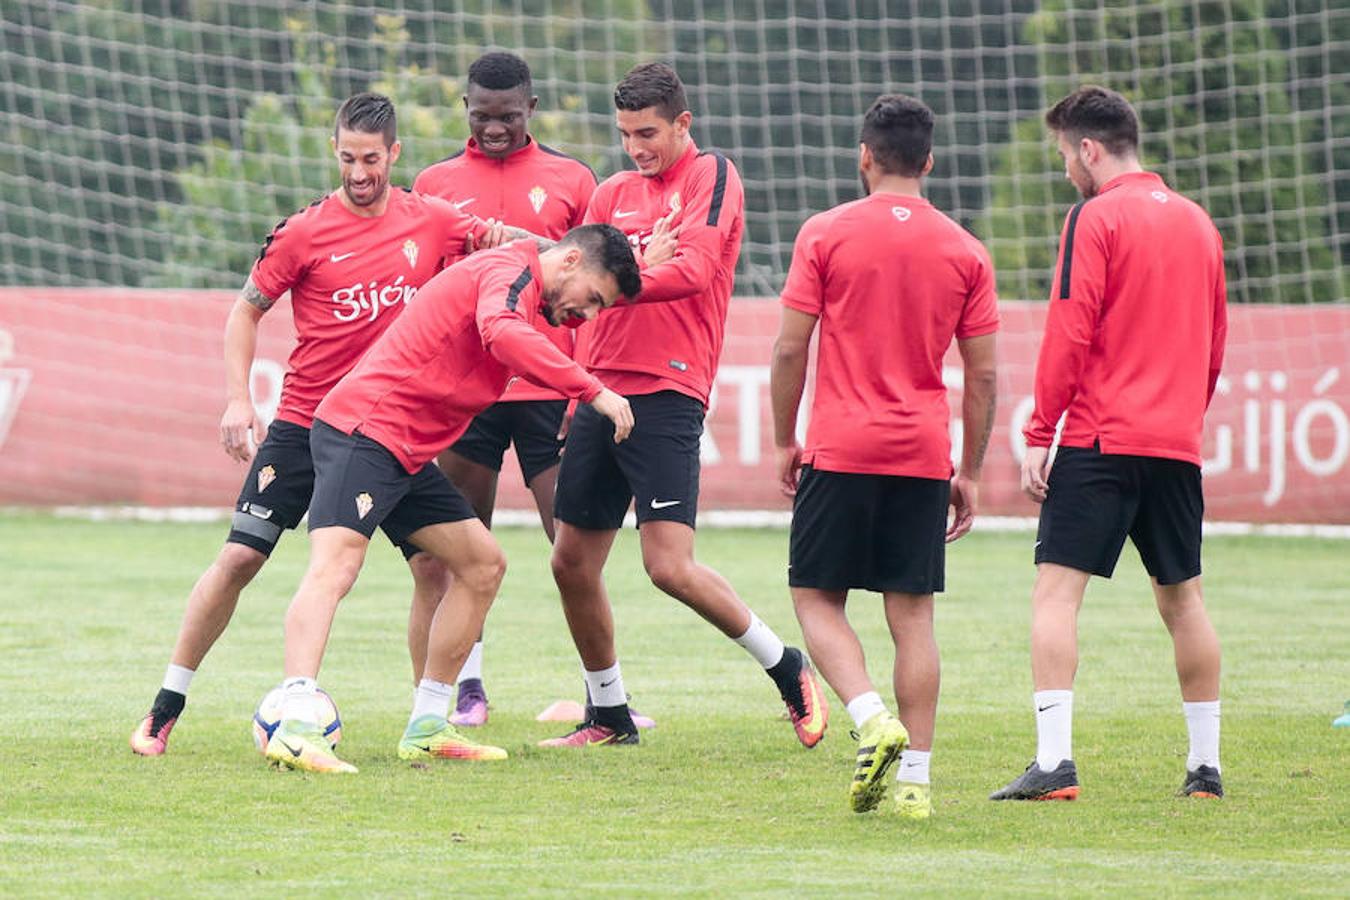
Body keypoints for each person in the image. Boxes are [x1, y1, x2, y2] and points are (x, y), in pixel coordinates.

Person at [129, 92, 503, 756]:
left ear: (394, 153)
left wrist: (606, 254)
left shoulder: (435, 220)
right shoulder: (304, 231)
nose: (359, 173)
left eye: (371, 159)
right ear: (335, 152)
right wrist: (238, 399)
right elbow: (245, 312)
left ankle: (428, 723)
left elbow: (514, 250)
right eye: (347, 159)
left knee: (442, 569)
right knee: (242, 556)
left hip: (387, 431)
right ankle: (165, 708)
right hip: (306, 427)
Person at [263, 224, 642, 774]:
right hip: (363, 432)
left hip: (405, 452)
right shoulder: (508, 272)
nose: (590, 316)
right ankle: (295, 723)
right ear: (570, 262)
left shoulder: (528, 288)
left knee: (482, 564)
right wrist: (593, 390)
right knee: (335, 567)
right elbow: (499, 331)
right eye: (595, 299)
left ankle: (427, 725)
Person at [542, 62, 827, 748]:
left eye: (648, 133)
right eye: (625, 134)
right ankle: (608, 714)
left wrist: (623, 275)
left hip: (667, 389)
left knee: (667, 565)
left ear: (682, 124)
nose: (637, 147)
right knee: (569, 562)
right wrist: (573, 385)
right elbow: (572, 293)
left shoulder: (712, 176)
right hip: (600, 389)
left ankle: (786, 666)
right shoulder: (610, 190)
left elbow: (695, 271)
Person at [989, 86, 1228, 802]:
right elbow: (1214, 345)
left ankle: (1055, 763)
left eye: (1065, 154)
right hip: (1174, 444)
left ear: (1089, 149)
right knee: (1184, 601)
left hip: (1101, 437)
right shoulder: (1199, 224)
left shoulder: (1094, 218)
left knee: (1055, 595)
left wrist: (1039, 432)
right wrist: (1183, 417)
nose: (1066, 168)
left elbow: (1071, 329)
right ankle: (1205, 769)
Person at [770, 95, 999, 819]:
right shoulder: (965, 249)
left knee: (814, 597)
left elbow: (787, 347)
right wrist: (969, 471)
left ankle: (871, 717)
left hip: (841, 448)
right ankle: (915, 786)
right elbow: (986, 374)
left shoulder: (826, 233)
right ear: (928, 162)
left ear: (863, 155)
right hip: (921, 453)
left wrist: (784, 438)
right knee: (913, 618)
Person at [410, 51, 601, 728]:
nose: (495, 128)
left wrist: (587, 389)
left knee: (573, 551)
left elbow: (597, 288)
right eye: (483, 115)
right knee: (460, 547)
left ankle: (604, 698)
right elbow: (427, 289)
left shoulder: (573, 179)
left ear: (532, 109)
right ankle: (467, 690)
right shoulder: (432, 183)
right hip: (469, 392)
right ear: (466, 109)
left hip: (549, 388)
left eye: (509, 116)